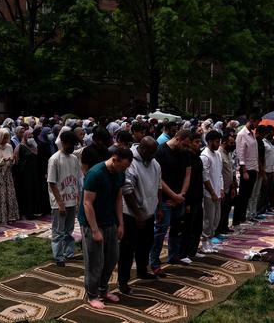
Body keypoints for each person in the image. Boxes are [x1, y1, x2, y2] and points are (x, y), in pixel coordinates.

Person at [80, 147, 133, 309]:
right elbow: (87, 203)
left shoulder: (119, 174)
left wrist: (121, 223)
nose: (124, 170)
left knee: (112, 258)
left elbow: (118, 199)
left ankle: (103, 290)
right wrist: (95, 230)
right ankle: (92, 294)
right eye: (123, 166)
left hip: (110, 221)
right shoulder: (95, 174)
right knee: (95, 261)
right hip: (92, 223)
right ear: (114, 159)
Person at [118, 137, 161, 294]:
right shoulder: (131, 163)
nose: (153, 156)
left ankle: (142, 271)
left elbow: (159, 185)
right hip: (131, 214)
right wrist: (138, 214)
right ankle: (123, 282)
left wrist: (159, 207)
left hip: (148, 213)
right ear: (142, 149)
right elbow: (127, 191)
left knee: (146, 245)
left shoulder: (154, 163)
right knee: (127, 250)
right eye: (150, 153)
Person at [150, 130, 192, 276]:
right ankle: (154, 262)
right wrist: (173, 196)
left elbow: (188, 175)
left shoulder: (185, 153)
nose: (186, 148)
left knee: (176, 228)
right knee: (161, 231)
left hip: (180, 197)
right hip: (165, 199)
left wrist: (182, 195)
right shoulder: (161, 151)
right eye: (185, 145)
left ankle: (173, 256)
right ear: (178, 139)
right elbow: (158, 178)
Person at [48, 131, 83, 267]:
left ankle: (68, 253)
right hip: (59, 202)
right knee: (58, 230)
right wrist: (60, 202)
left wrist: (78, 197)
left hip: (72, 199)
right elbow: (52, 182)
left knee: (69, 229)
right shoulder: (54, 159)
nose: (72, 147)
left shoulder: (74, 159)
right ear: (62, 142)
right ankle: (58, 256)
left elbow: (77, 179)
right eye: (70, 144)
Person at [0, 128, 20, 224]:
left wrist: (12, 159)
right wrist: (3, 160)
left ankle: (10, 215)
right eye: (4, 138)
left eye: (7, 138)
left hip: (7, 174)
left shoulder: (9, 146)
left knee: (9, 194)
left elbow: (12, 159)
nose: (5, 140)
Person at [181, 132, 205, 259]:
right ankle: (184, 253)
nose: (199, 144)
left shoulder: (198, 157)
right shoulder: (186, 157)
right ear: (189, 143)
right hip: (189, 198)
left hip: (198, 197)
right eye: (196, 142)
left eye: (200, 142)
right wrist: (187, 202)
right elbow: (186, 181)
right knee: (187, 228)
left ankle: (193, 251)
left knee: (197, 227)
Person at [234, 114, 261, 226]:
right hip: (246, 169)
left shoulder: (252, 134)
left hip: (253, 167)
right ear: (251, 120)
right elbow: (240, 154)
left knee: (248, 195)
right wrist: (244, 170)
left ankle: (243, 216)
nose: (257, 126)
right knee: (243, 195)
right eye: (256, 123)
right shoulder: (242, 134)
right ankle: (238, 218)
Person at [200, 130, 224, 253]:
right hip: (209, 193)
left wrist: (221, 189)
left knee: (216, 218)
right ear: (209, 141)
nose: (218, 144)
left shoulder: (218, 154)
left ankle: (210, 239)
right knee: (208, 219)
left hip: (217, 192)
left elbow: (219, 174)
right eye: (216, 141)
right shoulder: (205, 156)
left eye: (219, 141)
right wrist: (213, 193)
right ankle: (204, 241)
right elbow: (205, 177)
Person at [14, 130, 47, 218]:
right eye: (29, 137)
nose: (30, 139)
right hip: (25, 174)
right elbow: (17, 161)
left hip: (35, 173)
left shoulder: (34, 147)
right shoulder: (20, 147)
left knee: (34, 191)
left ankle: (35, 211)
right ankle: (27, 212)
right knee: (26, 192)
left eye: (32, 137)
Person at [216, 130, 237, 234]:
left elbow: (231, 170)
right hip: (222, 188)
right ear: (224, 142)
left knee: (227, 209)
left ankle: (224, 227)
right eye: (231, 143)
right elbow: (219, 173)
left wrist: (233, 186)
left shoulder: (228, 153)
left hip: (229, 186)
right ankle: (218, 229)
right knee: (220, 210)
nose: (233, 145)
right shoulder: (219, 153)